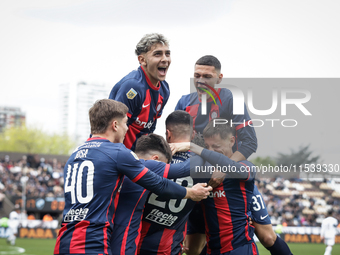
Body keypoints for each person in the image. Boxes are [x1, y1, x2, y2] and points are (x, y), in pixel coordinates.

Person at [53, 99, 211, 255]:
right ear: (115, 125)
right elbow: (160, 183)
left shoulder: (75, 155)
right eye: (125, 123)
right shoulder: (119, 154)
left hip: (64, 240)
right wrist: (190, 192)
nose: (127, 129)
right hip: (92, 242)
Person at [111, 133, 208, 254]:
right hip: (123, 244)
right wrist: (193, 147)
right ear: (155, 159)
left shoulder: (117, 165)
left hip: (104, 239)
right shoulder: (147, 165)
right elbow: (183, 170)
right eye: (163, 163)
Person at [172, 120, 258, 255]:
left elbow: (234, 168)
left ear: (231, 141)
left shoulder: (246, 167)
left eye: (216, 146)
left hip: (239, 249)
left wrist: (195, 147)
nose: (210, 152)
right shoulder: (203, 174)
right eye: (207, 146)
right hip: (212, 250)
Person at [137, 110, 201, 255]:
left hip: (135, 244)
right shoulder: (203, 167)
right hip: (169, 248)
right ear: (193, 135)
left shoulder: (150, 161)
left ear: (168, 134)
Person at [175, 55, 257, 162]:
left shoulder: (231, 99)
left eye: (207, 77)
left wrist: (226, 168)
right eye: (197, 75)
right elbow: (175, 141)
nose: (201, 81)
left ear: (219, 78)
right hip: (193, 166)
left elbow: (250, 142)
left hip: (225, 166)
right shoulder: (184, 102)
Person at [109, 33, 171, 151]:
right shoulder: (132, 87)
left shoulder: (164, 89)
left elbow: (149, 128)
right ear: (142, 60)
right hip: (116, 154)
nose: (165, 59)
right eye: (158, 54)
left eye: (167, 54)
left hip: (137, 157)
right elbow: (113, 129)